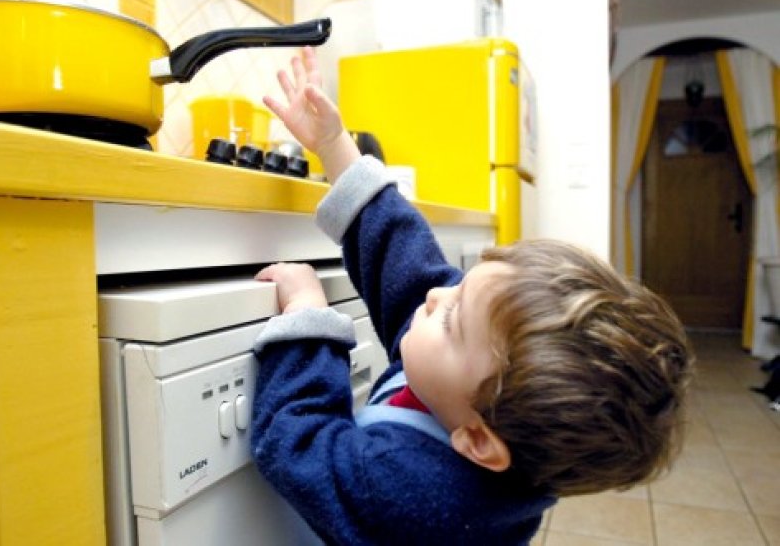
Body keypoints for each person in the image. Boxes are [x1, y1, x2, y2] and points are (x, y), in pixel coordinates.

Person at [250, 47, 694, 545]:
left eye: (453, 321)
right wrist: (335, 146)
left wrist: (310, 318)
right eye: (462, 291)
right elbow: (406, 264)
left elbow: (300, 446)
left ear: (479, 441)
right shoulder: (473, 398)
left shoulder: (410, 489)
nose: (437, 297)